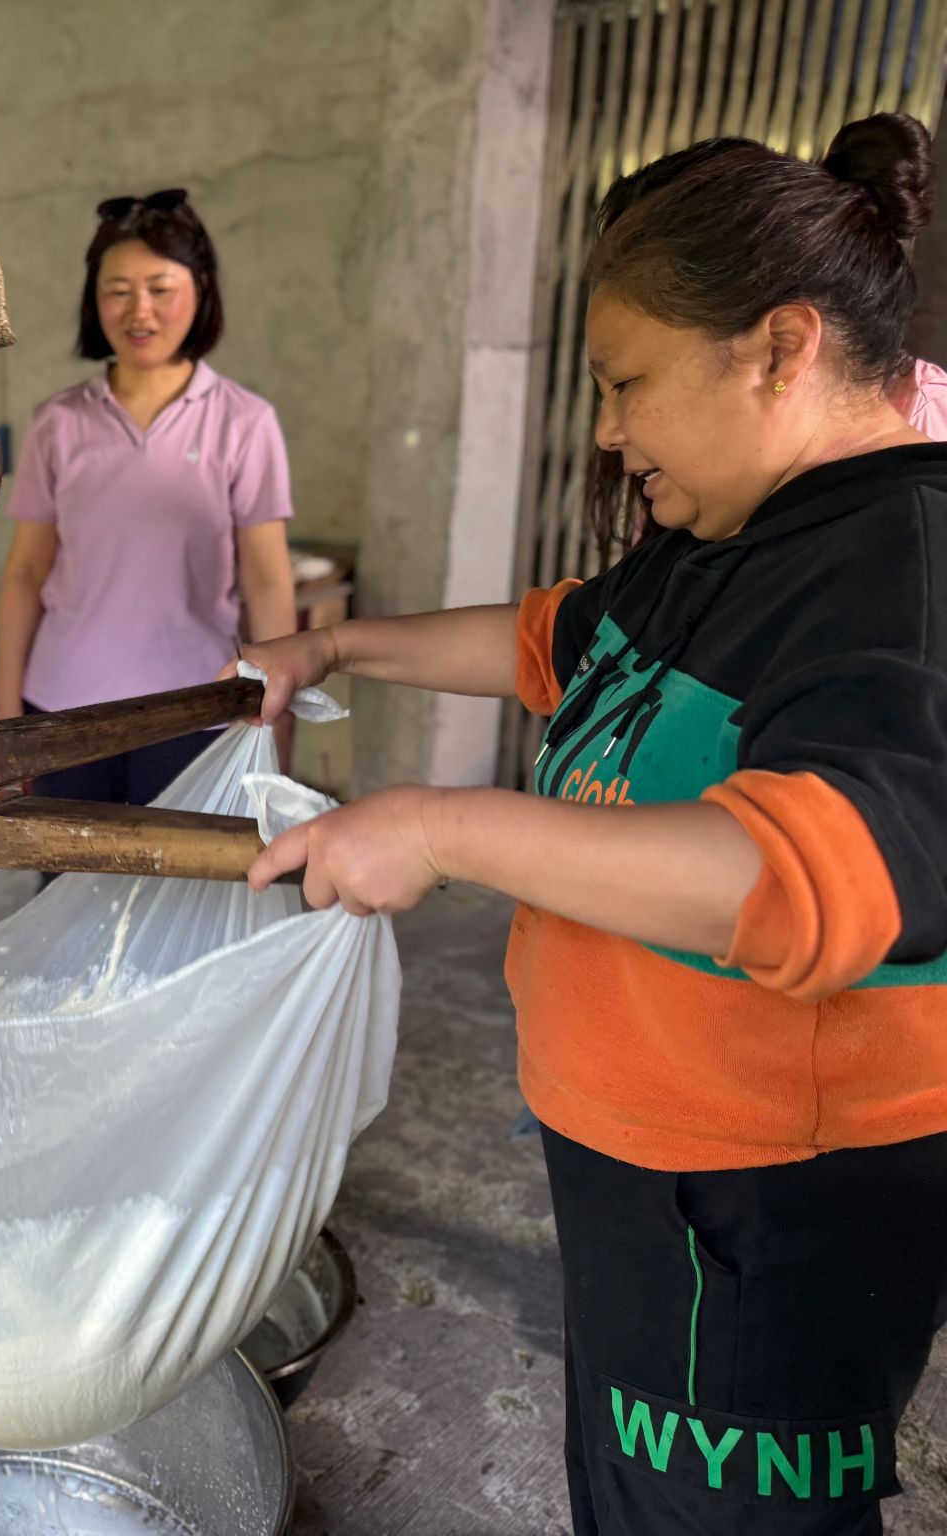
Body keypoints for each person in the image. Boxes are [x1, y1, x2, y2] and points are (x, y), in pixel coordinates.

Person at [237, 114, 947, 1535]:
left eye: (627, 384)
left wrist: (440, 830)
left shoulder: (899, 570)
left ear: (779, 348)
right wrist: (335, 647)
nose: (609, 430)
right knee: (632, 1495)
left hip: (767, 1208)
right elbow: (553, 642)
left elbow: (805, 876)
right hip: (644, 1160)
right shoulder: (726, 529)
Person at [0, 188, 298, 804]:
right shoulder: (58, 421)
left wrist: (278, 724)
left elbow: (268, 582)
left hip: (195, 711)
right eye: (118, 290)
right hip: (63, 711)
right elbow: (25, 573)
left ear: (201, 288)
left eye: (160, 289)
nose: (140, 311)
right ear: (93, 297)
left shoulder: (244, 422)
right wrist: (4, 719)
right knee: (67, 869)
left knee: (181, 868)